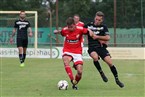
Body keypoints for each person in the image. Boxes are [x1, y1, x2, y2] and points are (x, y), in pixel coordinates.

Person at [84, 11, 124, 88]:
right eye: (96, 19)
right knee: (95, 57)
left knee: (110, 63)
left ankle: (117, 80)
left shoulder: (104, 27)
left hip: (101, 48)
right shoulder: (89, 25)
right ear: (94, 18)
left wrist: (97, 37)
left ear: (102, 20)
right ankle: (101, 73)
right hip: (92, 47)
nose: (97, 21)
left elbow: (108, 38)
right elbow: (81, 30)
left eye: (99, 20)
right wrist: (88, 30)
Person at [54, 17, 96, 90]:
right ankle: (72, 79)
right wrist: (57, 31)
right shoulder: (65, 30)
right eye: (68, 27)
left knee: (79, 72)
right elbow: (61, 32)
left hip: (77, 52)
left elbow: (87, 31)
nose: (70, 29)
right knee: (66, 61)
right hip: (67, 50)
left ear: (74, 25)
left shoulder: (80, 29)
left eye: (71, 27)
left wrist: (90, 31)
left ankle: (74, 84)